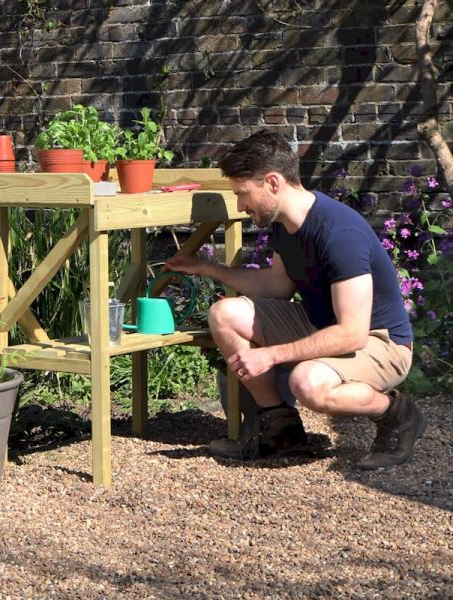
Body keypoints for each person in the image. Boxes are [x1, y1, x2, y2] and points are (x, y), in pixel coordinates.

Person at [165, 130, 427, 470]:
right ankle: (281, 430)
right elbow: (276, 286)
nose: (241, 206)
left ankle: (397, 414)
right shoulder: (285, 224)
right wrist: (207, 268)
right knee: (225, 314)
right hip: (322, 324)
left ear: (273, 182)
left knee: (308, 383)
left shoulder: (338, 234)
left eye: (243, 194)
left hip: (380, 342)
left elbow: (352, 334)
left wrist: (270, 355)